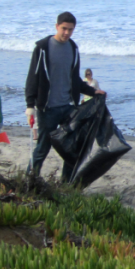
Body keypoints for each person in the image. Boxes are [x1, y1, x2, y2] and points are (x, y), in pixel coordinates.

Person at [25, 12, 106, 180]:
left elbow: (74, 79)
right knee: (42, 147)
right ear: (57, 26)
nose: (67, 33)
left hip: (68, 106)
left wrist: (92, 91)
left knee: (72, 147)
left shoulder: (73, 48)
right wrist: (30, 105)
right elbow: (33, 77)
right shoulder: (42, 48)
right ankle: (29, 179)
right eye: (64, 29)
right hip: (47, 108)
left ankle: (65, 183)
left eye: (70, 30)